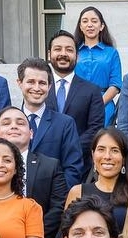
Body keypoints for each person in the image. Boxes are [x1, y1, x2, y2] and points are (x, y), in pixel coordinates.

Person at [0, 106, 69, 238]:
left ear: (31, 133)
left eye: (20, 123)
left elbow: (59, 208)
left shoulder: (50, 166)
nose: (14, 126)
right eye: (6, 123)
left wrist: (32, 236)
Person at [17, 58, 85, 192]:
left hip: (53, 205)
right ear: (19, 83)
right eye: (31, 82)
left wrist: (58, 202)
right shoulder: (9, 123)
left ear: (49, 86)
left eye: (42, 83)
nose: (36, 88)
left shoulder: (65, 124)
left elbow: (73, 169)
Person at [64, 128, 128, 238]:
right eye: (101, 149)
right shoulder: (77, 192)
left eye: (115, 150)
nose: (107, 156)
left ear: (124, 158)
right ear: (93, 154)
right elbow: (66, 237)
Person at [46, 29, 106, 172]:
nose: (63, 54)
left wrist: (69, 147)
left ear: (77, 56)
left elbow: (95, 129)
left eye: (69, 50)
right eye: (57, 49)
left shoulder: (92, 91)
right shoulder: (38, 88)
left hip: (78, 167)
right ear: (49, 54)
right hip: (42, 166)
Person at [74, 6, 122, 127]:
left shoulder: (111, 53)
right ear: (80, 26)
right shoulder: (73, 52)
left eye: (94, 21)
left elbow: (116, 85)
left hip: (104, 106)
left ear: (101, 26)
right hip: (77, 104)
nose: (89, 25)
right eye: (85, 21)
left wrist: (98, 104)